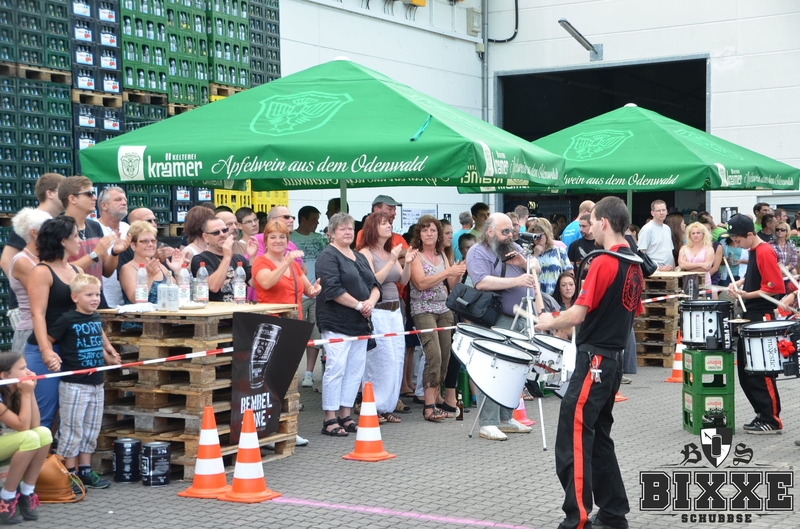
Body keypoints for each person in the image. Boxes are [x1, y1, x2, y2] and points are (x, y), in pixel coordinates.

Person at [536, 196, 643, 529]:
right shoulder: (634, 263)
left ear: (604, 223)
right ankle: (612, 512)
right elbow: (631, 312)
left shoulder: (604, 262)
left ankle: (578, 519)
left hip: (594, 360)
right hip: (611, 361)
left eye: (593, 220)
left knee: (574, 438)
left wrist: (548, 321)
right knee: (598, 439)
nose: (590, 226)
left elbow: (578, 314)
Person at [466, 213, 539, 440]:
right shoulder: (477, 251)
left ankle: (506, 418)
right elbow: (481, 282)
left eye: (512, 230)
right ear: (490, 232)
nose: (510, 235)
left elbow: (536, 266)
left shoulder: (513, 247)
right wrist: (517, 281)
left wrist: (523, 263)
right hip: (498, 318)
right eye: (505, 231)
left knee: (515, 370)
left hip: (521, 317)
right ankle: (488, 422)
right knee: (494, 369)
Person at [47, 274, 120, 489]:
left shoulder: (95, 317)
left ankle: (85, 470)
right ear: (75, 297)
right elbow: (48, 340)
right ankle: (69, 473)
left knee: (91, 428)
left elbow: (99, 336)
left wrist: (109, 352)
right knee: (72, 429)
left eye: (97, 294)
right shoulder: (67, 319)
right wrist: (51, 356)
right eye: (89, 295)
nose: (95, 299)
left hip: (97, 382)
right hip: (74, 384)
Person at [316, 213, 380, 436]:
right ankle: (330, 418)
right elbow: (332, 289)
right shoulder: (327, 256)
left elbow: (375, 284)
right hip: (336, 322)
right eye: (342, 229)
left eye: (350, 228)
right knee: (336, 368)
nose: (347, 232)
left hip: (359, 323)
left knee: (355, 370)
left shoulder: (358, 256)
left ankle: (345, 415)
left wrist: (370, 303)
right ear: (332, 233)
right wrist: (359, 305)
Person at [724, 214, 785, 434]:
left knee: (761, 371)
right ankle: (761, 413)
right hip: (751, 315)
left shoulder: (764, 251)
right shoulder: (754, 250)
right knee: (747, 371)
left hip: (761, 316)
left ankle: (772, 419)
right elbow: (755, 276)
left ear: (750, 234)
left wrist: (747, 295)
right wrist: (738, 283)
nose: (737, 244)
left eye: (738, 240)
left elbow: (774, 287)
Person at [25, 216, 84, 430]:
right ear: (62, 241)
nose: (80, 241)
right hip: (45, 347)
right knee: (45, 414)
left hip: (71, 348)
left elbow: (86, 313)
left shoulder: (78, 271)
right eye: (76, 236)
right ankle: (40, 452)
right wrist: (46, 350)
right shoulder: (42, 271)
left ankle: (56, 452)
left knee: (69, 413)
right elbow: (37, 314)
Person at [357, 212, 416, 423]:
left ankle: (387, 405)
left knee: (396, 358)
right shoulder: (365, 253)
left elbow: (403, 280)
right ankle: (374, 406)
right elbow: (373, 281)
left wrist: (407, 262)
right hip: (378, 311)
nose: (389, 226)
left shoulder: (388, 252)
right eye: (383, 223)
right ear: (373, 228)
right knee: (381, 360)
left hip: (394, 311)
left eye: (389, 223)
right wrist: (392, 260)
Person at [409, 215, 464, 422]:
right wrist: (448, 271)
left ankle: (437, 397)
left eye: (432, 230)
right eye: (425, 230)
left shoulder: (441, 255)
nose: (429, 234)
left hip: (444, 308)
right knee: (433, 355)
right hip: (423, 309)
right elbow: (421, 283)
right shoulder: (415, 255)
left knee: (445, 356)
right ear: (419, 235)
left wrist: (457, 272)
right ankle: (429, 407)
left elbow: (450, 283)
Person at [0, 352, 53, 523]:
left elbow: (35, 425)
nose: (28, 372)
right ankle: (6, 498)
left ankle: (27, 492)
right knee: (29, 438)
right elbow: (23, 426)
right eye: (23, 368)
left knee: (44, 433)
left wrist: (30, 392)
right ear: (4, 375)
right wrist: (27, 394)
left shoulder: (16, 390)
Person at [291, 206, 328, 388]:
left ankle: (309, 373)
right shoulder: (291, 239)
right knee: (294, 333)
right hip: (298, 293)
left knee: (315, 334)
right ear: (303, 219)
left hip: (317, 292)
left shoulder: (320, 239)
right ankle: (291, 372)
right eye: (314, 219)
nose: (317, 223)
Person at [9, 209, 51, 353]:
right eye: (48, 229)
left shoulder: (44, 257)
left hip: (47, 328)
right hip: (31, 331)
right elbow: (48, 294)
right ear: (34, 233)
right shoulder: (22, 261)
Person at [252, 220, 320, 308]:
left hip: (295, 316)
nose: (278, 241)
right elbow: (266, 283)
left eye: (282, 237)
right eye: (273, 237)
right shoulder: (260, 261)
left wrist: (315, 290)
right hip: (271, 316)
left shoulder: (293, 264)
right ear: (265, 241)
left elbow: (309, 290)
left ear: (287, 240)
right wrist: (286, 262)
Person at [119, 221, 184, 306]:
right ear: (133, 245)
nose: (150, 244)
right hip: (141, 314)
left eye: (153, 241)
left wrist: (178, 271)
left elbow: (178, 294)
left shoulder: (160, 267)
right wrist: (149, 277)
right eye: (144, 241)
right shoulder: (128, 269)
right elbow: (135, 300)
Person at [191, 217, 253, 302]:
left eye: (224, 230)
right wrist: (227, 257)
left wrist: (252, 257)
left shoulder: (239, 258)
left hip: (238, 308)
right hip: (215, 309)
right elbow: (213, 287)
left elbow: (254, 284)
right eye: (216, 232)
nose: (222, 234)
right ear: (206, 237)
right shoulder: (200, 259)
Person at [96, 186, 129, 308]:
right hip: (103, 297)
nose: (124, 203)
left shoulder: (127, 228)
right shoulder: (94, 228)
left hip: (127, 297)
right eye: (118, 199)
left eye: (125, 200)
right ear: (104, 206)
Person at [528, 218, 573, 296]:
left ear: (547, 234)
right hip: (536, 296)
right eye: (536, 235)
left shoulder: (559, 251)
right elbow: (526, 273)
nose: (539, 238)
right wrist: (535, 255)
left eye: (541, 234)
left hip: (556, 296)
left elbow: (569, 274)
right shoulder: (528, 253)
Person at [637, 199, 674, 271]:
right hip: (654, 273)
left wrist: (674, 269)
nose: (661, 213)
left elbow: (670, 253)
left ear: (667, 211)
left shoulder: (667, 228)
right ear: (652, 213)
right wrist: (659, 268)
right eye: (658, 211)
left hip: (670, 271)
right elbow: (641, 254)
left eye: (663, 210)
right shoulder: (647, 229)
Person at [678, 222, 714, 286]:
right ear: (689, 235)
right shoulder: (684, 248)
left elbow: (706, 268)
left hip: (704, 283)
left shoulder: (709, 249)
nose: (696, 235)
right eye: (693, 233)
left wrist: (687, 269)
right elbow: (682, 265)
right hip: (687, 282)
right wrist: (701, 264)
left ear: (703, 234)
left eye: (698, 233)